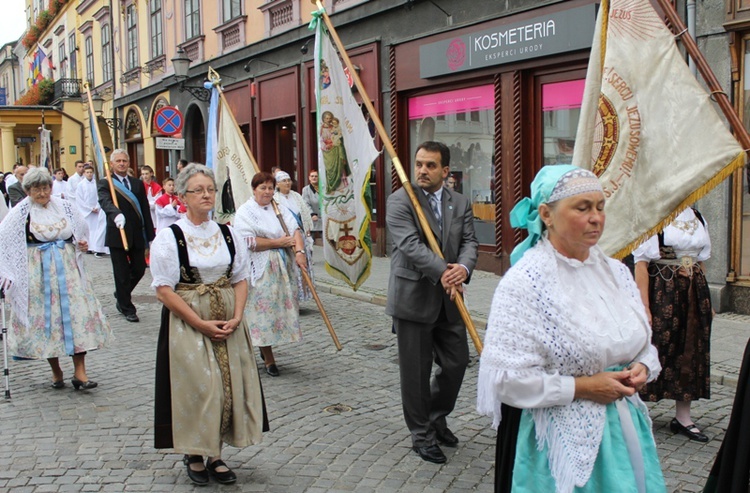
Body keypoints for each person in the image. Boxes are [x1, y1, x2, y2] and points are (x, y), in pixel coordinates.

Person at [477, 165, 666, 492]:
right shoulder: (525, 284)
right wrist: (583, 388)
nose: (596, 218)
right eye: (583, 208)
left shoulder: (616, 272)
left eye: (600, 207)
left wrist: (643, 366)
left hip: (624, 433)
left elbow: (641, 343)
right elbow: (507, 382)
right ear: (547, 215)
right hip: (557, 447)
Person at [151, 163, 266, 486]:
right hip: (189, 320)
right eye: (198, 190)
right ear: (183, 196)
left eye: (210, 189)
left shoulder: (227, 233)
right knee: (202, 387)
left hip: (228, 318)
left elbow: (241, 278)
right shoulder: (170, 237)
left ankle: (216, 454)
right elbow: (163, 289)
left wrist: (238, 315)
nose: (206, 195)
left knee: (230, 384)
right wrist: (200, 323)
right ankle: (195, 453)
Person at [385, 141, 478, 464]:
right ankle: (421, 433)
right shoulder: (401, 200)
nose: (422, 171)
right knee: (416, 372)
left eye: (430, 166)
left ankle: (436, 416)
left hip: (450, 300)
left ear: (445, 171)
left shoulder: (460, 202)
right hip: (413, 298)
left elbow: (469, 241)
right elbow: (410, 245)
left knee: (456, 363)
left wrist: (463, 269)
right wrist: (444, 272)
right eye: (419, 164)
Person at [0, 167, 111, 390]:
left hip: (68, 271)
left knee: (77, 316)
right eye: (36, 189)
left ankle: (80, 373)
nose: (42, 193)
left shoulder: (64, 206)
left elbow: (80, 230)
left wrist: (81, 242)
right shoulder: (21, 213)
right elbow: (4, 241)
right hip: (38, 274)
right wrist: (9, 273)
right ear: (28, 191)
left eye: (45, 188)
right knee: (47, 322)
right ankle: (56, 370)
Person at [634, 207, 713, 442]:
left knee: (691, 349)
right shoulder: (655, 215)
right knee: (656, 347)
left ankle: (683, 417)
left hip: (694, 290)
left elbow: (701, 261)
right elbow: (641, 265)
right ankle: (638, 413)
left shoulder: (698, 216)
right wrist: (644, 306)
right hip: (664, 291)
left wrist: (707, 300)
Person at [234, 172, 306, 377]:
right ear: (254, 189)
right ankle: (268, 357)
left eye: (270, 188)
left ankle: (265, 346)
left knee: (277, 311)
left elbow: (296, 230)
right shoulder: (245, 211)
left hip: (282, 267)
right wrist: (277, 243)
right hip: (261, 267)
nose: (267, 192)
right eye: (262, 188)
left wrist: (300, 253)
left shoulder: (279, 208)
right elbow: (247, 241)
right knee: (262, 313)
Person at [97, 149, 155, 323]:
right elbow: (104, 201)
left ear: (129, 163)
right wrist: (116, 214)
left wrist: (150, 235)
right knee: (121, 273)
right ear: (112, 163)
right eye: (118, 161)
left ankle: (121, 293)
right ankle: (126, 307)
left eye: (124, 160)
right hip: (118, 233)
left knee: (138, 269)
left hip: (137, 234)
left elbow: (144, 208)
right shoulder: (105, 183)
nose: (122, 163)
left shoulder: (137, 183)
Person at [274, 170, 315, 303]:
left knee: (302, 265)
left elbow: (305, 214)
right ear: (278, 184)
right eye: (284, 181)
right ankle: (290, 298)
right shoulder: (275, 199)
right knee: (290, 267)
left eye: (288, 180)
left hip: (300, 235)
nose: (287, 183)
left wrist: (308, 232)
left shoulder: (296, 196)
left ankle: (301, 296)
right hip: (287, 238)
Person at [75, 164, 109, 258]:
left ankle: (96, 247)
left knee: (97, 229)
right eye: (87, 172)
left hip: (96, 210)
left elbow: (100, 196)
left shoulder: (96, 183)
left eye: (91, 172)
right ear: (84, 173)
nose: (89, 174)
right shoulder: (81, 185)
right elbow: (79, 199)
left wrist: (97, 207)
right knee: (88, 229)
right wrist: (89, 209)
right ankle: (89, 247)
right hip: (87, 211)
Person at [140, 165, 163, 232]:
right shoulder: (139, 185)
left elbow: (158, 202)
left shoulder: (157, 187)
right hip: (143, 212)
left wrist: (149, 205)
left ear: (151, 174)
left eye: (146, 174)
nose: (145, 176)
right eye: (143, 174)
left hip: (153, 213)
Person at [301, 169, 322, 241]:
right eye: (312, 176)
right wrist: (312, 214)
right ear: (309, 178)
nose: (314, 178)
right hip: (312, 218)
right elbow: (305, 204)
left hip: (323, 219)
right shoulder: (306, 190)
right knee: (310, 242)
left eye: (316, 176)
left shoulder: (323, 188)